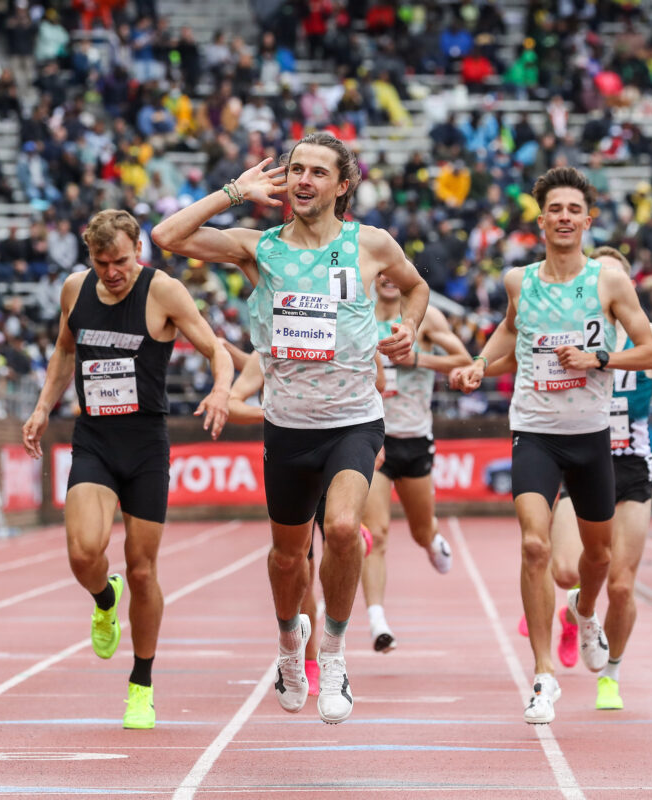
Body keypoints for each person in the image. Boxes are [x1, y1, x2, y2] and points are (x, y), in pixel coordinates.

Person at [151, 131, 431, 724]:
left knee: (345, 526)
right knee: (286, 559)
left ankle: (331, 652)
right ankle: (288, 641)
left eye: (317, 172)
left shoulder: (372, 244)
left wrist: (407, 326)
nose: (303, 180)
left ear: (343, 185)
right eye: (295, 170)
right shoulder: (261, 247)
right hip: (287, 425)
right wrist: (234, 191)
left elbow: (416, 287)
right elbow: (166, 238)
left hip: (354, 418)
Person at [449, 167, 652, 725]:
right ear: (540, 220)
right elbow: (509, 331)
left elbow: (649, 353)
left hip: (591, 436)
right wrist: (477, 363)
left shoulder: (610, 283)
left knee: (598, 558)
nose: (564, 217)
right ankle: (543, 676)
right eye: (555, 209)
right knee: (536, 548)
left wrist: (599, 359)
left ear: (587, 221)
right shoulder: (520, 281)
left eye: (574, 210)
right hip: (535, 431)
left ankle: (584, 613)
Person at [497, 246, 652, 711]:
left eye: (615, 280)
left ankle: (610, 673)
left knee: (622, 583)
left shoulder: (650, 336)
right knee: (567, 569)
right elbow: (515, 350)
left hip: (630, 464)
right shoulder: (564, 326)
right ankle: (578, 609)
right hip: (579, 450)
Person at [21, 209, 232, 731]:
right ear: (89, 257)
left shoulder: (164, 292)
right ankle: (103, 597)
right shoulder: (76, 289)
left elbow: (216, 349)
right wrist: (44, 406)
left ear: (138, 247)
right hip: (94, 438)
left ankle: (141, 685)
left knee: (142, 567)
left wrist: (221, 388)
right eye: (102, 262)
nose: (112, 272)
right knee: (82, 552)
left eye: (121, 260)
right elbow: (64, 353)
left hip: (144, 444)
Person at [225, 344, 377, 695]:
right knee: (298, 564)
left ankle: (329, 655)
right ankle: (302, 658)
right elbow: (234, 402)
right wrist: (269, 409)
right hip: (293, 457)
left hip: (340, 450)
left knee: (341, 532)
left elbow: (375, 380)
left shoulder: (347, 334)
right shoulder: (271, 348)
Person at [362, 275, 472, 653]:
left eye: (397, 273)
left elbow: (464, 360)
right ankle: (378, 621)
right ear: (374, 278)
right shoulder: (358, 314)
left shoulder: (427, 319)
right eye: (382, 273)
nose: (389, 279)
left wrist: (417, 358)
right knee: (374, 535)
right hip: (373, 440)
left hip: (415, 441)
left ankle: (432, 540)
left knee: (420, 530)